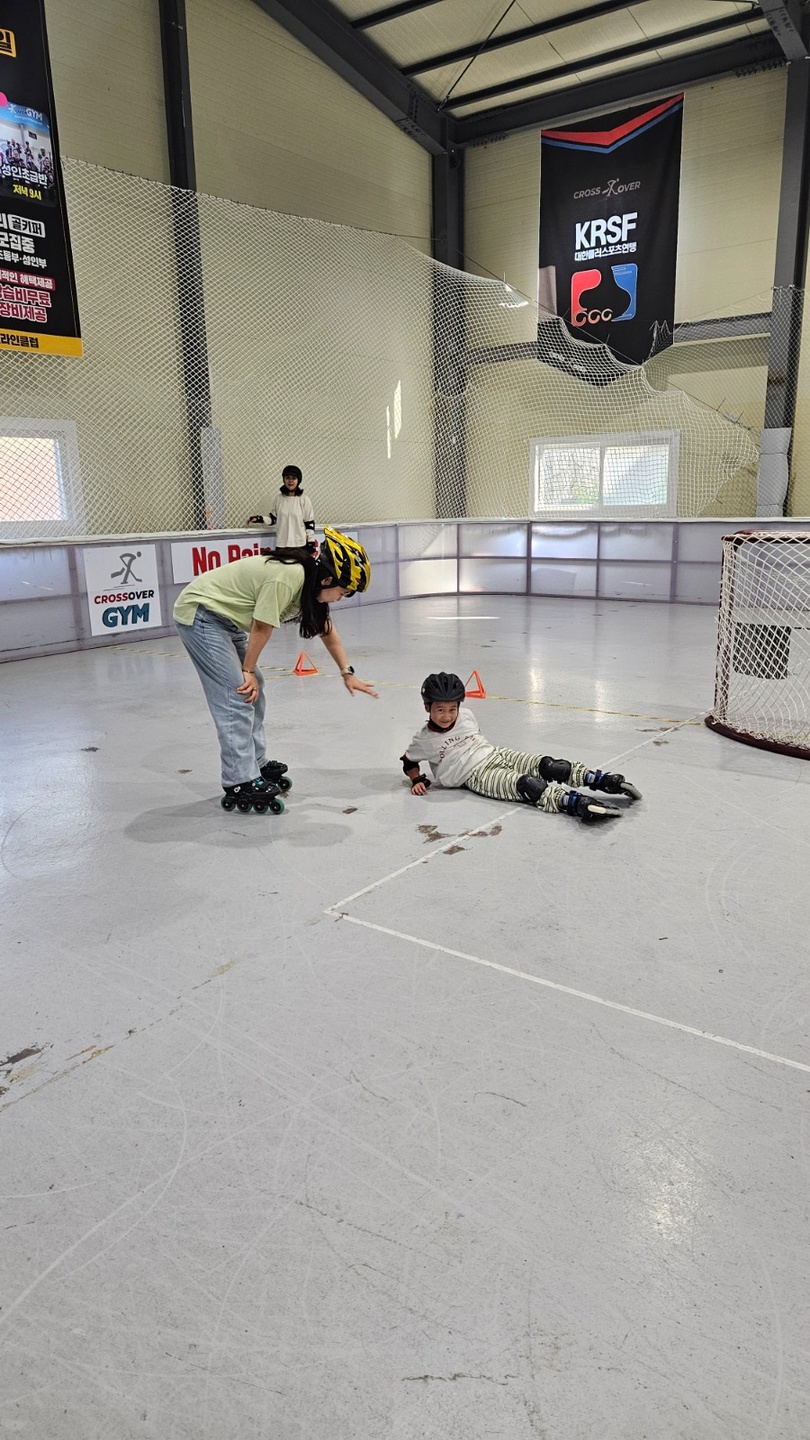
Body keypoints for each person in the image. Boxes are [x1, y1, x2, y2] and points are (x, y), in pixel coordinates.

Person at [174, 526, 376, 812]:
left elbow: (327, 630)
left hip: (227, 620)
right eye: (342, 592)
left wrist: (348, 673)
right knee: (239, 693)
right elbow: (261, 626)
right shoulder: (290, 576)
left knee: (258, 689)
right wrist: (247, 670)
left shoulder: (310, 586)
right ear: (328, 578)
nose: (339, 599)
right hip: (202, 615)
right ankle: (239, 780)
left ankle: (254, 763)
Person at [400, 672, 642, 824]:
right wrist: (417, 779)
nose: (447, 716)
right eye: (440, 710)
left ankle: (599, 780)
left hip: (496, 754)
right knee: (527, 785)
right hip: (476, 776)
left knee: (548, 766)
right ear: (427, 708)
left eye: (452, 709)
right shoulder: (424, 739)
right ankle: (574, 803)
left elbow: (476, 739)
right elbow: (408, 760)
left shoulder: (467, 717)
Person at [247, 465, 317, 553]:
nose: (290, 481)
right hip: (281, 545)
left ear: (298, 480)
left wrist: (311, 542)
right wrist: (259, 519)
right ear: (283, 479)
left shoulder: (304, 499)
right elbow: (273, 519)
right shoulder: (278, 499)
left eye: (294, 478)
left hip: (299, 545)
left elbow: (309, 523)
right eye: (287, 478)